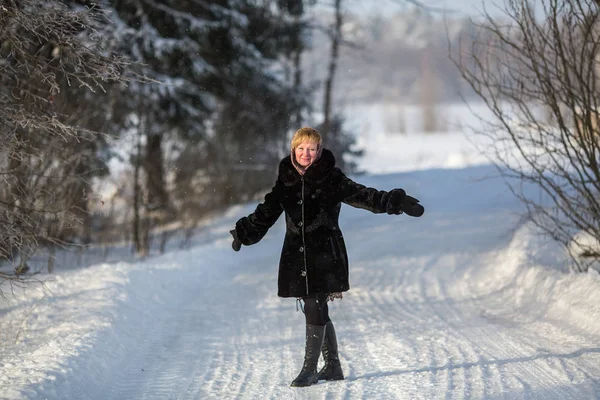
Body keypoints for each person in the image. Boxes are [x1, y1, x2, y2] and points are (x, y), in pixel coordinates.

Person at [229, 127, 424, 387]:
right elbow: (266, 211)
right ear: (293, 150)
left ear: (318, 151)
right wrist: (244, 232)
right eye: (301, 149)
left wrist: (394, 202)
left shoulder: (330, 178)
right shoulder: (285, 180)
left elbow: (362, 195)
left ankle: (309, 370)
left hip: (325, 254)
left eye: (311, 149)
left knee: (314, 305)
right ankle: (332, 366)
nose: (305, 154)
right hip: (297, 257)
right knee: (317, 306)